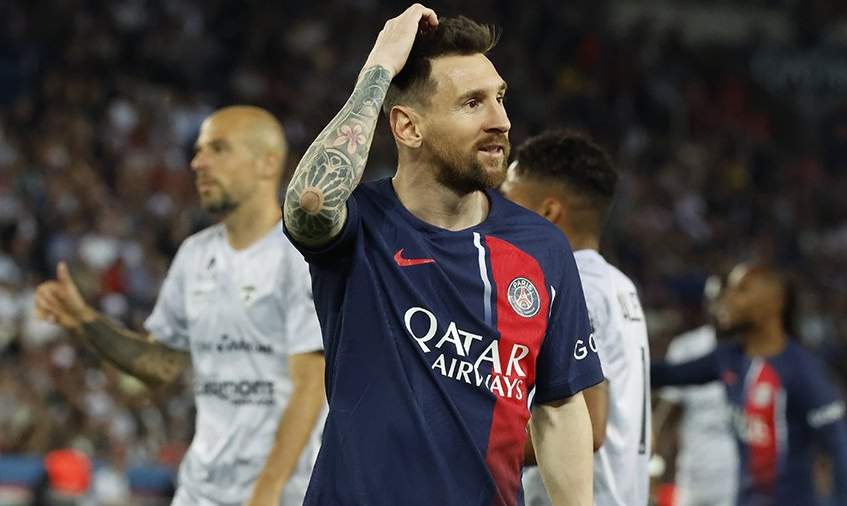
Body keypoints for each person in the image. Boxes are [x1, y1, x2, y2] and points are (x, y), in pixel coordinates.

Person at [281, 5, 602, 506]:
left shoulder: (541, 247)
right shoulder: (362, 225)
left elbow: (559, 406)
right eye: (473, 103)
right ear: (408, 128)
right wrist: (380, 67)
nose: (502, 121)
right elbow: (310, 203)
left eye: (499, 98)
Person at [33, 106, 327, 506]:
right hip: (201, 489)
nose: (198, 163)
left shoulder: (299, 255)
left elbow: (310, 384)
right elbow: (161, 366)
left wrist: (267, 491)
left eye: (218, 149)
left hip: (284, 491)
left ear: (267, 163)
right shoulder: (194, 255)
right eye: (199, 151)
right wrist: (85, 322)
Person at [501, 130, 651, 506]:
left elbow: (589, 427)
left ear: (548, 212)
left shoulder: (573, 286)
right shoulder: (618, 285)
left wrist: (466, 447)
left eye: (508, 198)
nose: (496, 212)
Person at [651, 262, 847, 505]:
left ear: (774, 303)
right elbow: (667, 374)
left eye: (742, 290)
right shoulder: (728, 358)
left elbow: (841, 454)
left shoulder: (802, 370)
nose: (727, 298)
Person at [654, 276, 739, 506]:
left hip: (736, 476)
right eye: (715, 301)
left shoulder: (751, 351)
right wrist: (656, 457)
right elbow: (668, 412)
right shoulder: (687, 346)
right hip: (692, 473)